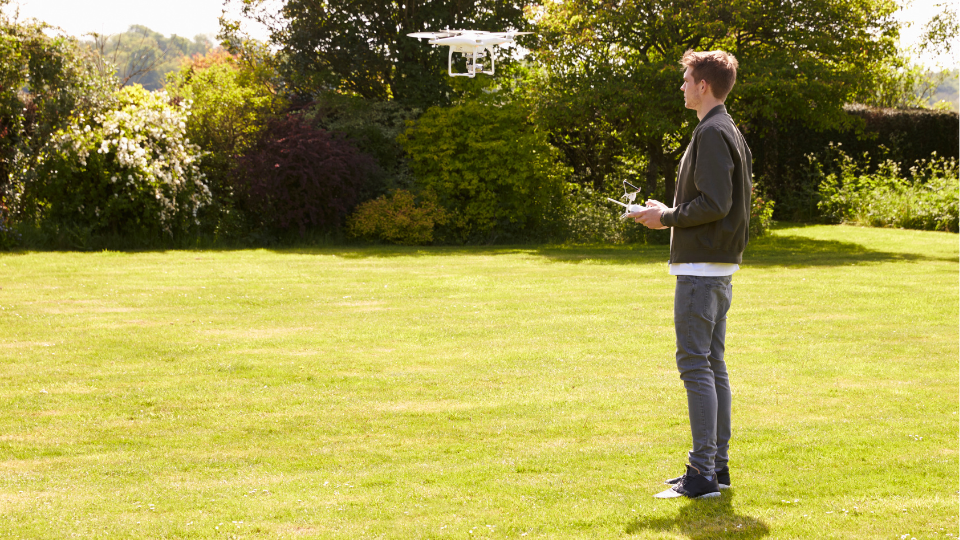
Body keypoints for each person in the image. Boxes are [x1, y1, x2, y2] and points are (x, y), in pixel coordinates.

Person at [626, 49, 753, 500]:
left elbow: (715, 204)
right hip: (714, 267)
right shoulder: (725, 130)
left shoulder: (713, 132)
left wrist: (667, 219)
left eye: (686, 79)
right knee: (711, 365)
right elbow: (713, 200)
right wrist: (668, 210)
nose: (681, 86)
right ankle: (715, 468)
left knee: (696, 366)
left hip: (702, 271)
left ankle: (702, 474)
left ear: (703, 86)